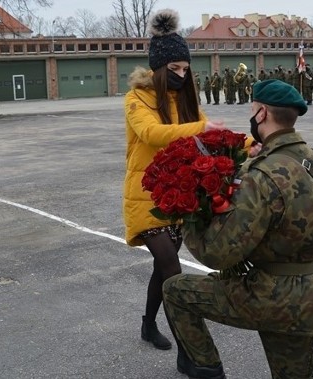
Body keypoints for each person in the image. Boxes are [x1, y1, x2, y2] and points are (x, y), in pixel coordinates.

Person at [163, 79, 313, 379]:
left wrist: (190, 214)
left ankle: (208, 371)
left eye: (253, 109)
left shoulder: (261, 174)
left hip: (268, 293)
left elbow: (217, 253)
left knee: (175, 291)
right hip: (310, 291)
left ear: (261, 114)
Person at [122, 9, 222, 351]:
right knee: (171, 268)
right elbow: (151, 134)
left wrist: (254, 145)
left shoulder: (185, 100)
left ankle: (148, 325)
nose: (181, 75)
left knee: (161, 268)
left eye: (185, 69)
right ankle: (189, 348)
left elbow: (212, 136)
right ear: (159, 69)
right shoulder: (137, 99)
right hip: (145, 196)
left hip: (177, 195)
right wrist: (199, 128)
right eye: (174, 69)